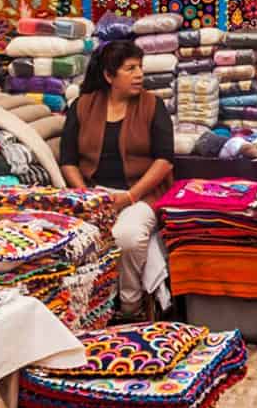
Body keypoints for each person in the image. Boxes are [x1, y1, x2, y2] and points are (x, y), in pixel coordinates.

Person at [61, 40, 176, 319]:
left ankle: (130, 307)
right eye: (130, 69)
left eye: (140, 68)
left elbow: (164, 160)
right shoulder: (83, 106)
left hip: (142, 193)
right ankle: (86, 310)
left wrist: (129, 197)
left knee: (127, 236)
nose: (139, 75)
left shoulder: (152, 105)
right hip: (94, 195)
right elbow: (68, 160)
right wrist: (88, 197)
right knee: (69, 239)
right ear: (109, 76)